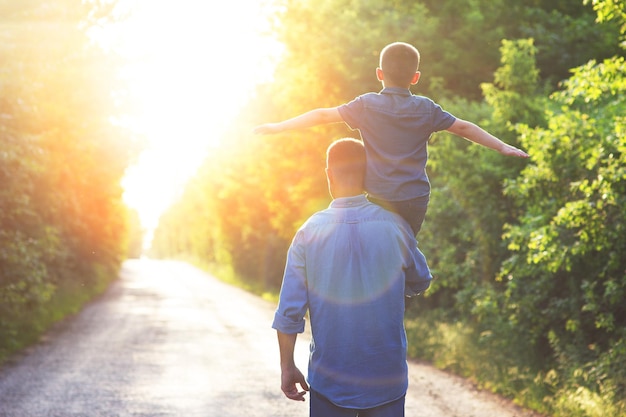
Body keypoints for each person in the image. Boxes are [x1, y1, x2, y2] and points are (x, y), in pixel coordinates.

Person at [254, 41, 529, 236]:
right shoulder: (426, 108)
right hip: (414, 197)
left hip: (378, 197)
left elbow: (322, 115)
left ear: (379, 74)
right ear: (416, 77)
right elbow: (465, 129)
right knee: (405, 245)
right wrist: (502, 146)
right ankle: (411, 279)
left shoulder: (366, 105)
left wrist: (279, 126)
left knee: (374, 248)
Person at [272, 138, 432, 417]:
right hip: (387, 379)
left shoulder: (308, 233)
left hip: (329, 380)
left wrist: (288, 367)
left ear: (328, 174)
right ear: (368, 173)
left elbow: (289, 312)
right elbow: (421, 280)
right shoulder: (396, 226)